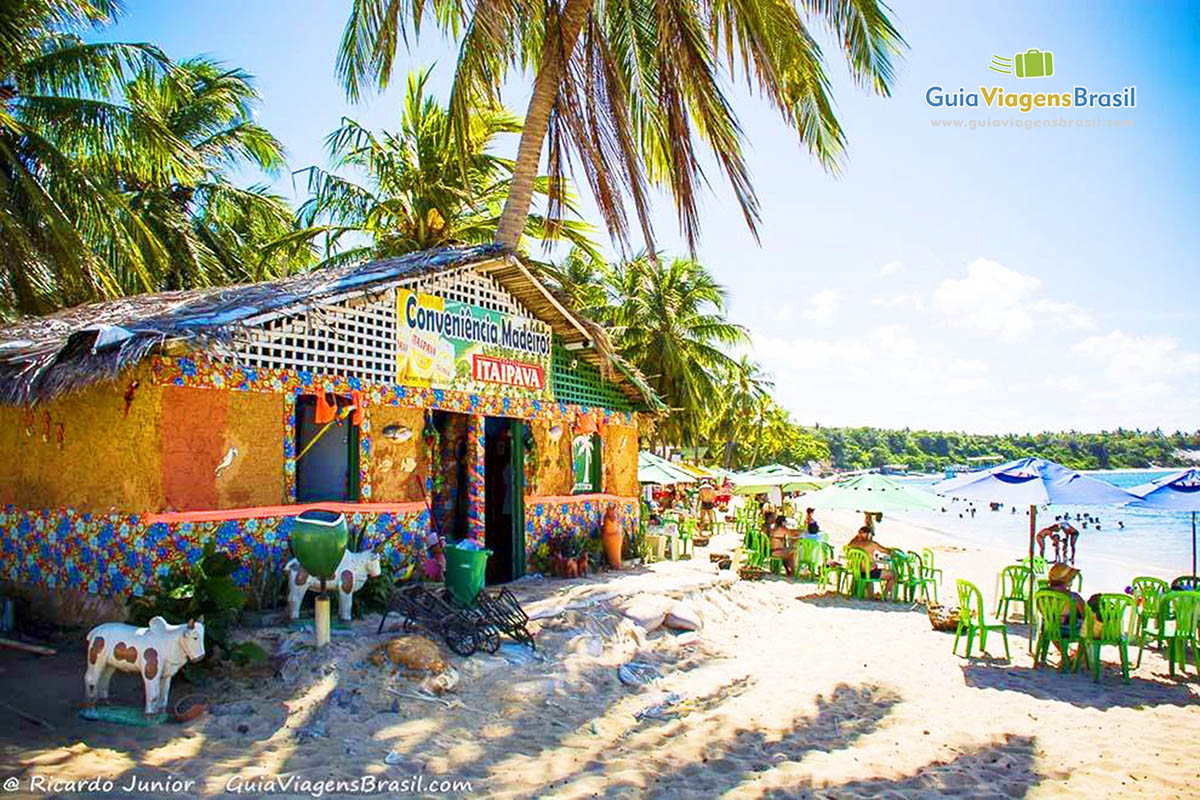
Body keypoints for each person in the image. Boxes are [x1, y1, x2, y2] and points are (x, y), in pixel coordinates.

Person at [1046, 562, 1088, 666]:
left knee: (1051, 624)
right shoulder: (1074, 597)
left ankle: (1064, 654)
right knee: (1088, 627)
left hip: (1050, 628)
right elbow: (1085, 615)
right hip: (1070, 630)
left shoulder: (1043, 594)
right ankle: (1080, 656)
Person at [844, 525, 894, 598]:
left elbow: (846, 550)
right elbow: (886, 551)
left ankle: (873, 594)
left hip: (857, 573)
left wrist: (858, 536)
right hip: (870, 573)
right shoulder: (872, 544)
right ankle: (884, 596)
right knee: (892, 575)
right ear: (869, 534)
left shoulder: (852, 544)